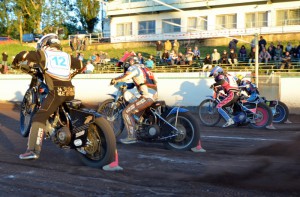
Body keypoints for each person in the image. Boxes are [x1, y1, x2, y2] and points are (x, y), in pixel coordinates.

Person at [12, 33, 84, 160]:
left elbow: (23, 55)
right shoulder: (66, 56)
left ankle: (33, 150)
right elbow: (81, 65)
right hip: (70, 91)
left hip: (56, 92)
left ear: (45, 44)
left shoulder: (44, 54)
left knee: (39, 117)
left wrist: (15, 62)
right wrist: (69, 75)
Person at [110, 57, 158, 144]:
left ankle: (131, 137)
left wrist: (115, 80)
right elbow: (137, 83)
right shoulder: (145, 68)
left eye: (126, 65)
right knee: (136, 105)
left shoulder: (134, 67)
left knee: (126, 112)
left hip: (146, 97)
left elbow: (126, 76)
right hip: (154, 95)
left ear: (130, 62)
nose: (126, 68)